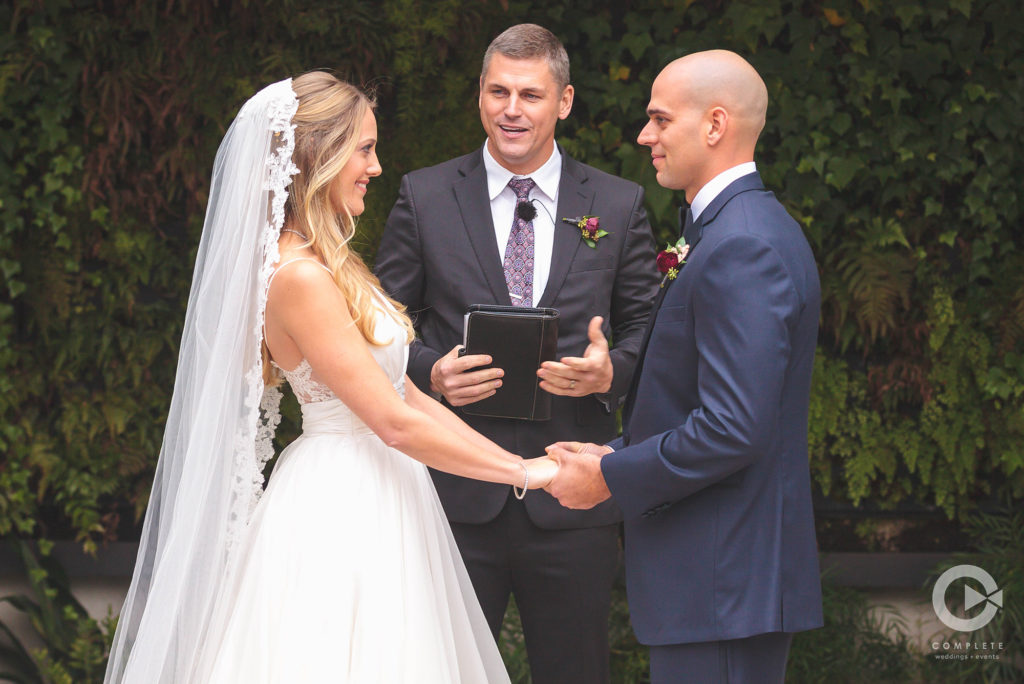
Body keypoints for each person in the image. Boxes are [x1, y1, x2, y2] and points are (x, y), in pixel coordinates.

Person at [104, 72, 557, 684]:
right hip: (340, 504)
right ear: (318, 156)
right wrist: (527, 475)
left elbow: (406, 395)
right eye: (364, 149)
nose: (376, 165)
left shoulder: (330, 264)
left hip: (389, 490)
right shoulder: (301, 279)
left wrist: (519, 466)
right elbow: (394, 423)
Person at [374, 23, 659, 684]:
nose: (511, 108)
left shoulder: (617, 202)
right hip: (451, 494)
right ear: (479, 95)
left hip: (571, 491)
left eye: (530, 94)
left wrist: (612, 371)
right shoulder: (425, 195)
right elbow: (381, 318)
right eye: (497, 90)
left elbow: (650, 320)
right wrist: (430, 371)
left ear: (562, 102)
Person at [545, 50, 824, 683]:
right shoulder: (726, 230)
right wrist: (608, 450)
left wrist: (611, 475)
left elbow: (733, 427)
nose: (645, 135)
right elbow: (698, 404)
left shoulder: (742, 244)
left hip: (724, 585)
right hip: (718, 586)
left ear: (716, 124)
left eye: (659, 119)